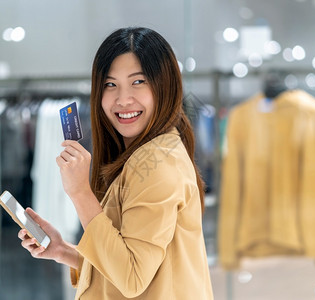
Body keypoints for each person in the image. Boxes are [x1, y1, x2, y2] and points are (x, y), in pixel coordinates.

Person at [18, 27, 214, 299]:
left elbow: (131, 277)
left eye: (138, 82)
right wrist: (63, 250)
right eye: (110, 84)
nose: (123, 100)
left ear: (165, 86)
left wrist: (80, 193)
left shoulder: (155, 164)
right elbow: (132, 262)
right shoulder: (150, 153)